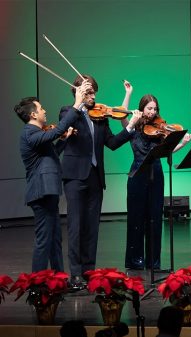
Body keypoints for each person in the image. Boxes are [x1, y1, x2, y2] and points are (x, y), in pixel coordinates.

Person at [56, 75, 140, 289]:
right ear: (79, 92)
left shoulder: (100, 117)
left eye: (94, 92)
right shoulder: (68, 111)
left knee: (92, 227)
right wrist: (79, 100)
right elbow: (65, 126)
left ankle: (88, 271)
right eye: (89, 92)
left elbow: (111, 143)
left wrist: (130, 126)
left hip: (95, 177)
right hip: (75, 177)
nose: (93, 96)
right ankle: (75, 273)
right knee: (75, 226)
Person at [15, 82, 90, 272]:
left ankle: (59, 279)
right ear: (33, 114)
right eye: (41, 108)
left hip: (48, 191)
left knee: (55, 238)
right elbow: (56, 132)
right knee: (44, 240)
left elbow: (51, 155)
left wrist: (64, 141)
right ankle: (37, 285)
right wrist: (76, 105)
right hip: (41, 192)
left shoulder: (37, 133)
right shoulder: (29, 133)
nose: (44, 111)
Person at [120, 84, 191, 270]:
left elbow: (167, 151)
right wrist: (128, 94)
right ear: (142, 108)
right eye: (149, 108)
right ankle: (135, 260)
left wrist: (183, 143)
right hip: (137, 173)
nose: (152, 112)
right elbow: (121, 114)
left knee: (154, 217)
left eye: (155, 109)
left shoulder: (160, 129)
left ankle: (154, 261)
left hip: (156, 173)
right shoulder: (133, 127)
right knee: (136, 217)